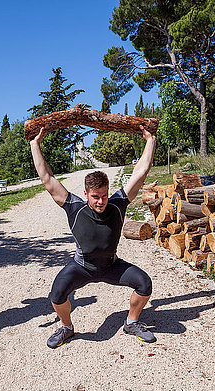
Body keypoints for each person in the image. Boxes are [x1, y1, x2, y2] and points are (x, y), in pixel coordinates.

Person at [29, 123, 157, 348]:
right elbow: (47, 178)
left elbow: (140, 172)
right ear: (86, 193)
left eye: (104, 195)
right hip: (82, 267)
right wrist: (35, 144)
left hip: (111, 266)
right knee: (57, 294)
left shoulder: (118, 204)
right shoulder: (74, 207)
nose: (101, 201)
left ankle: (131, 322)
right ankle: (67, 327)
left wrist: (150, 140)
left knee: (144, 284)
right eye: (95, 196)